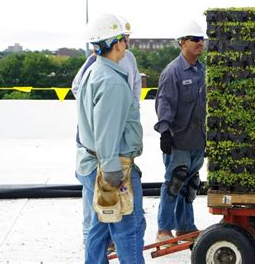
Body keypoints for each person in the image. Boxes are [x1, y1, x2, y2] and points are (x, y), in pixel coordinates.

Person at [75, 13, 145, 263]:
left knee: (100, 226)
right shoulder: (112, 82)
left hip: (93, 162)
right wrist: (112, 171)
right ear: (115, 44)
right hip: (112, 166)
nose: (127, 44)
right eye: (124, 40)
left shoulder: (95, 71)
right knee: (129, 230)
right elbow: (106, 132)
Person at [154, 20, 206, 243]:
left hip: (197, 140)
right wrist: (165, 132)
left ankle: (185, 227)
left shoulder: (201, 70)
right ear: (183, 42)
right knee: (175, 183)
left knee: (190, 184)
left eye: (202, 39)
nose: (200, 43)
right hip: (179, 140)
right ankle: (163, 229)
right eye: (195, 39)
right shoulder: (173, 72)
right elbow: (164, 103)